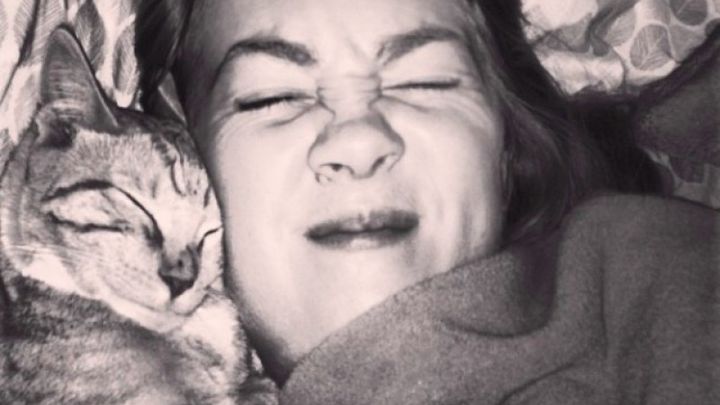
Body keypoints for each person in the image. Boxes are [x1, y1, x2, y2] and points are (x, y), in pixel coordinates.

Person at [135, 0, 719, 403]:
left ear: (505, 143)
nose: (359, 142)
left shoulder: (675, 292)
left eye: (424, 81)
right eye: (272, 96)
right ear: (181, 142)